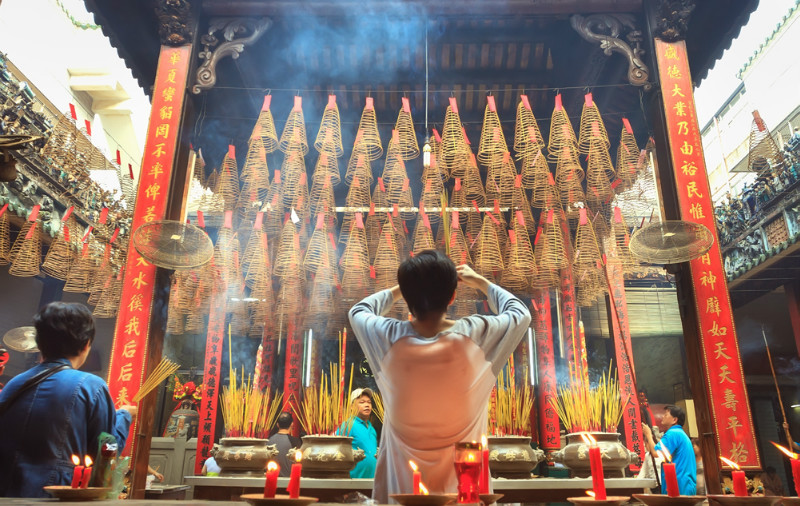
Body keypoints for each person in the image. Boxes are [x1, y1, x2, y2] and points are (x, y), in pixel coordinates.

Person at [348, 251, 531, 502]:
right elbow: (520, 313)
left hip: (401, 490)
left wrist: (403, 288)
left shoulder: (388, 337)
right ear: (453, 295)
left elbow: (359, 310)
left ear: (407, 298)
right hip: (464, 490)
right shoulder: (476, 337)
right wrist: (480, 282)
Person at [0, 302, 136, 497]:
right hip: (58, 496)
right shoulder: (91, 386)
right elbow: (106, 453)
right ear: (86, 344)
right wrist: (124, 416)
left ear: (40, 343)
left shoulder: (14, 384)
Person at [643, 404, 696, 495]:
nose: (663, 416)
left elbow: (656, 453)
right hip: (685, 484)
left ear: (674, 420)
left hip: (678, 486)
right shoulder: (680, 433)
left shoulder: (673, 433)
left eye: (666, 415)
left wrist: (648, 435)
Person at [337, 388, 378, 478]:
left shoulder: (372, 429)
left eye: (369, 402)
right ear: (351, 406)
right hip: (353, 480)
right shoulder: (347, 425)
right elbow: (338, 453)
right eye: (362, 402)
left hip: (372, 481)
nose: (367, 405)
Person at [267, 412, 303, 477]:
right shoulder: (295, 442)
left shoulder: (268, 440)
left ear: (277, 425)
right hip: (289, 481)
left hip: (272, 479)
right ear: (292, 424)